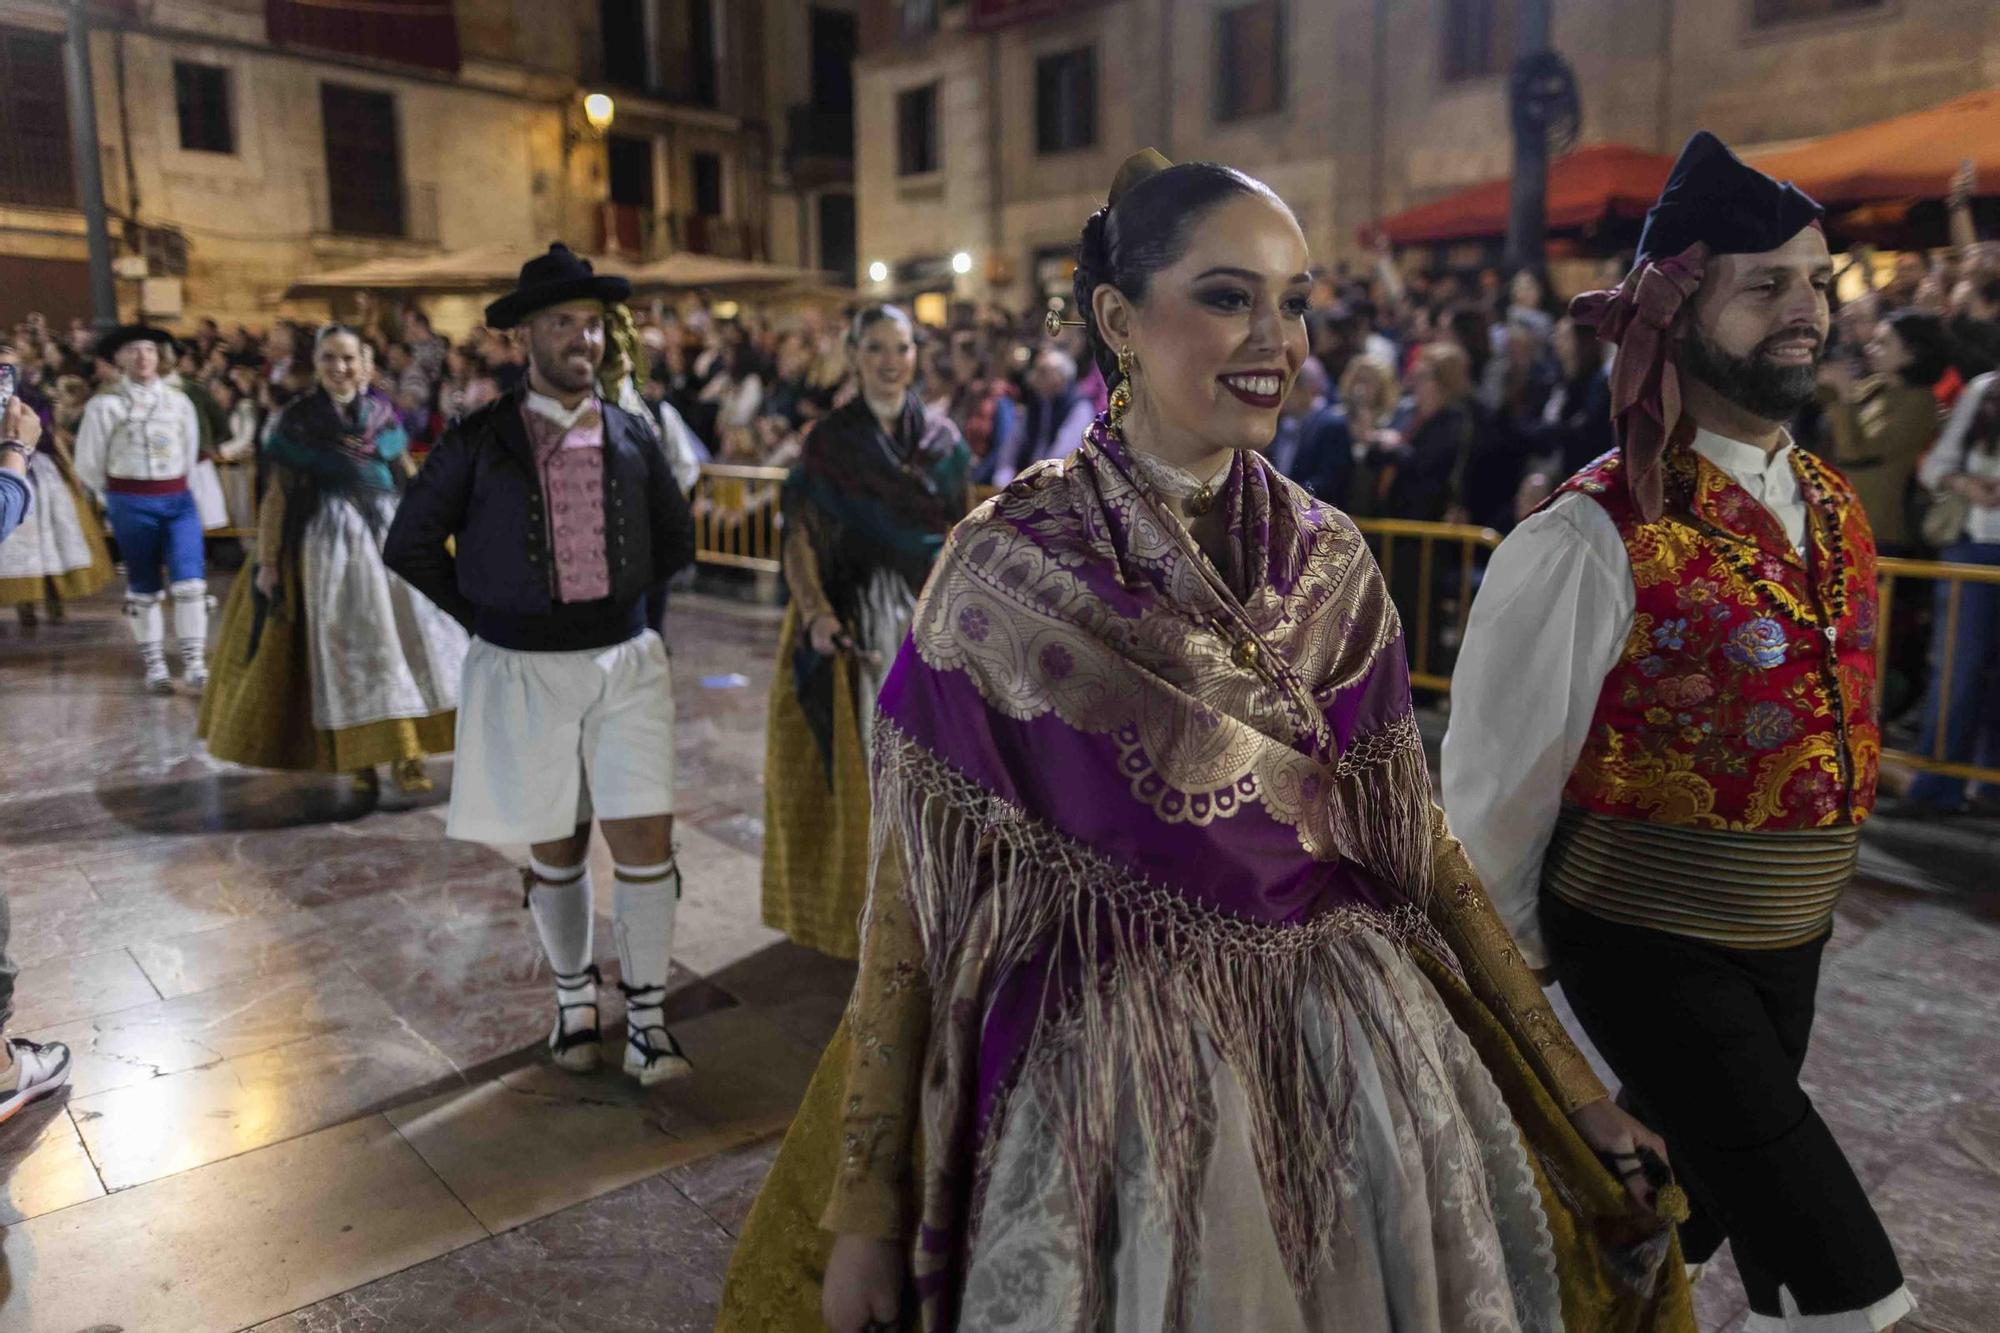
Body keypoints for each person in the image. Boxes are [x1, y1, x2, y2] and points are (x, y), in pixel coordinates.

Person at [720, 151, 1690, 1333]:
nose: (1273, 336)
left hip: (1354, 1064)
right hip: (1105, 1087)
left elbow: (1416, 847)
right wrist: (866, 1204)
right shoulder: (1000, 566)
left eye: (1293, 300)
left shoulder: (1332, 559)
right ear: (1118, 321)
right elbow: (910, 908)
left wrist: (1571, 1086)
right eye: (1228, 295)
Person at [1443, 132, 1914, 1333]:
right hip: (1644, 938)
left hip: (1790, 935)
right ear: (1669, 310)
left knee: (1672, 1210)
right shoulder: (1584, 537)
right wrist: (1507, 1029)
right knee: (1840, 1275)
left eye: (1817, 281)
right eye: (1764, 285)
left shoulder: (1830, 503)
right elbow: (1490, 807)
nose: (1805, 309)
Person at [383, 245, 699, 1086]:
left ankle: (649, 1021)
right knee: (556, 847)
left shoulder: (635, 430)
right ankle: (573, 1004)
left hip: (627, 663)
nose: (582, 339)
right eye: (563, 322)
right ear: (526, 335)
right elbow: (408, 541)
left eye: (593, 324)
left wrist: (639, 627)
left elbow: (675, 542)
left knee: (646, 838)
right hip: (524, 667)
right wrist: (487, 614)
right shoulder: (479, 438)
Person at [761, 305, 970, 959]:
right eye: (875, 347)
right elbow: (799, 535)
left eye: (901, 347)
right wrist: (818, 613)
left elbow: (964, 534)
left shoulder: (943, 438)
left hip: (930, 617)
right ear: (853, 355)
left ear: (916, 355)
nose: (889, 360)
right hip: (853, 620)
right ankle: (872, 918)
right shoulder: (830, 441)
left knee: (941, 773)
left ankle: (935, 910)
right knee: (870, 772)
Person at [198, 325, 466, 796]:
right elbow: (277, 494)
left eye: (348, 358)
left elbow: (408, 477)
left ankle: (409, 753)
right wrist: (268, 561)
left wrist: (437, 528)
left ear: (366, 363)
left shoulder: (384, 415)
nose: (339, 368)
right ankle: (358, 757)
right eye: (329, 358)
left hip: (388, 537)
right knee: (347, 648)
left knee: (406, 641)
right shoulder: (296, 421)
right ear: (316, 365)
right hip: (328, 542)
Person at [72, 325, 210, 693]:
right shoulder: (105, 405)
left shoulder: (179, 402)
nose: (143, 357)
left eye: (149, 349)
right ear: (118, 359)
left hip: (177, 499)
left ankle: (195, 662)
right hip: (130, 499)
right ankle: (155, 665)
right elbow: (88, 461)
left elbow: (190, 450)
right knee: (144, 585)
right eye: (133, 350)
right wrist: (113, 498)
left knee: (191, 582)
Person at [1898, 368, 2000, 814]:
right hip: (1976, 547)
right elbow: (1937, 465)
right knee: (1959, 669)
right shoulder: (1985, 389)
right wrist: (1964, 485)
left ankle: (1989, 783)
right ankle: (1938, 785)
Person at [1819, 309, 1951, 553]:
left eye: (1883, 343)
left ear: (1912, 353)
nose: (1870, 348)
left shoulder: (1920, 403)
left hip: (1872, 529)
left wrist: (1844, 393)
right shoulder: (1876, 387)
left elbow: (1857, 453)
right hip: (1831, 518)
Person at [0, 341, 112, 624]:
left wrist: (68, 466)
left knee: (48, 535)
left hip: (33, 467)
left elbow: (46, 432)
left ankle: (51, 597)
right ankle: (22, 601)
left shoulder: (30, 396)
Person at [984, 346, 1093, 485]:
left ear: (1060, 377)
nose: (1033, 377)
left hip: (1060, 485)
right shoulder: (1035, 404)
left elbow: (1062, 455)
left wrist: (1036, 482)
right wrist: (1004, 476)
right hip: (1029, 482)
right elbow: (1012, 445)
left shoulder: (1079, 406)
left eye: (1043, 372)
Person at [1265, 355, 1353, 503]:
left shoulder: (1332, 425)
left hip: (1313, 516)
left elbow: (1329, 480)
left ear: (1306, 389)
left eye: (1287, 388)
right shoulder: (1281, 422)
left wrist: (1286, 496)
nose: (1279, 395)